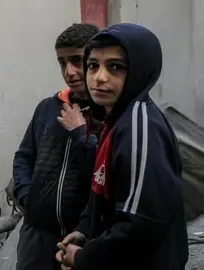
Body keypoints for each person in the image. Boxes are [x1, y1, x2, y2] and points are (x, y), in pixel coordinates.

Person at [56, 23, 189, 270]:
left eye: (116, 67)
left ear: (140, 71)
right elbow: (106, 190)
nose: (99, 77)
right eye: (93, 65)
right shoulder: (116, 119)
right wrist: (86, 229)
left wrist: (84, 258)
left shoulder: (140, 125)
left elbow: (140, 223)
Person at [12, 23, 104, 270]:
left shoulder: (110, 114)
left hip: (84, 235)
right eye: (62, 63)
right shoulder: (48, 108)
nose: (69, 71)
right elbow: (24, 156)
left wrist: (80, 133)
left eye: (77, 60)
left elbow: (103, 174)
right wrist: (27, 197)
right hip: (37, 234)